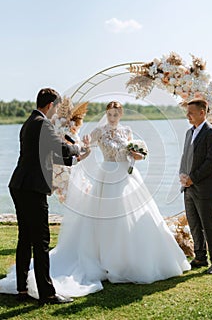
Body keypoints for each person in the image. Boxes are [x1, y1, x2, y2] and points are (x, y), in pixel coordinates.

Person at [1, 100, 190, 300]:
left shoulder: (127, 131)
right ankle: (105, 260)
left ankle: (134, 259)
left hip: (128, 177)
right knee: (103, 220)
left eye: (116, 114)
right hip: (107, 176)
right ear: (106, 114)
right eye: (110, 114)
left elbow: (135, 156)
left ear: (121, 114)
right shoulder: (99, 131)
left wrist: (137, 154)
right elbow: (82, 146)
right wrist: (79, 148)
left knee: (135, 217)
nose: (113, 118)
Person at [7, 88, 83, 305]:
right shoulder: (42, 123)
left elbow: (47, 154)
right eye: (56, 107)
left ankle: (22, 289)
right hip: (32, 188)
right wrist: (77, 148)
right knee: (41, 241)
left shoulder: (30, 122)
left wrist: (75, 160)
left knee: (25, 239)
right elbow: (60, 148)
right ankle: (47, 293)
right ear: (50, 105)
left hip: (20, 185)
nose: (56, 111)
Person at [179, 98, 212, 274]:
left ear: (202, 113)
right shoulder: (189, 132)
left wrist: (193, 178)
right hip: (189, 187)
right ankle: (200, 257)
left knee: (209, 224)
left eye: (191, 112)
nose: (188, 115)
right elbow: (186, 156)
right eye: (187, 112)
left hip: (206, 187)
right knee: (194, 224)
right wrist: (183, 176)